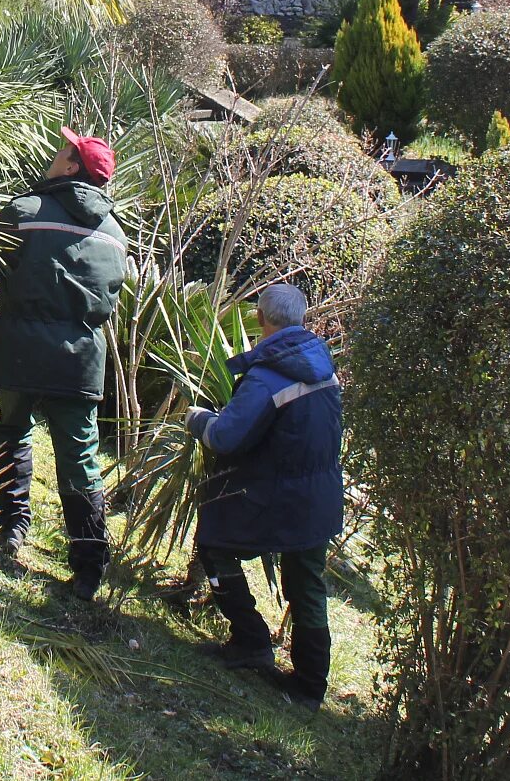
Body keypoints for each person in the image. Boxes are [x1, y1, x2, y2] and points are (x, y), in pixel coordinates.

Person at [0, 128, 127, 600]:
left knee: (13, 433)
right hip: (79, 364)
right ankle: (89, 567)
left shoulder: (25, 211)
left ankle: (11, 530)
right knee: (80, 460)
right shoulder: (116, 236)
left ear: (72, 167)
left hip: (21, 352)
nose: (55, 155)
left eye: (63, 152)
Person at [184, 282, 343, 706]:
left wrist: (197, 418)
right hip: (319, 497)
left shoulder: (269, 374)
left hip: (275, 497)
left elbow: (225, 437)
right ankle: (311, 688)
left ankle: (250, 640)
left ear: (260, 318)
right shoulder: (324, 365)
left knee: (214, 545)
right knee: (307, 585)